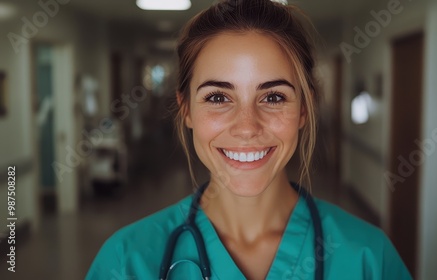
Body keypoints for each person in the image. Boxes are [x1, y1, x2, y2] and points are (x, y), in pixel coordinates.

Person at [86, 0, 412, 279]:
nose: (246, 127)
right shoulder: (125, 262)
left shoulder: (369, 259)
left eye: (273, 97)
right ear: (186, 110)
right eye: (217, 98)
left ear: (304, 108)